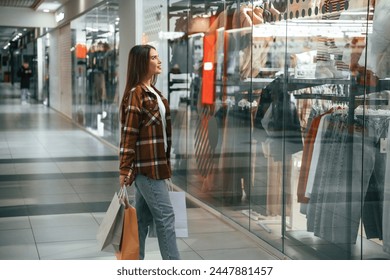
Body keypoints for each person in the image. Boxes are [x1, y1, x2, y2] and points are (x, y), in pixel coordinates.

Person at [119, 44, 180, 260]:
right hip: (147, 170)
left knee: (142, 221)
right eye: (154, 57)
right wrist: (124, 168)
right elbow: (129, 135)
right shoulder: (136, 94)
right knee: (166, 218)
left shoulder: (153, 92)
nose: (159, 61)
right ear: (143, 63)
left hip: (156, 166)